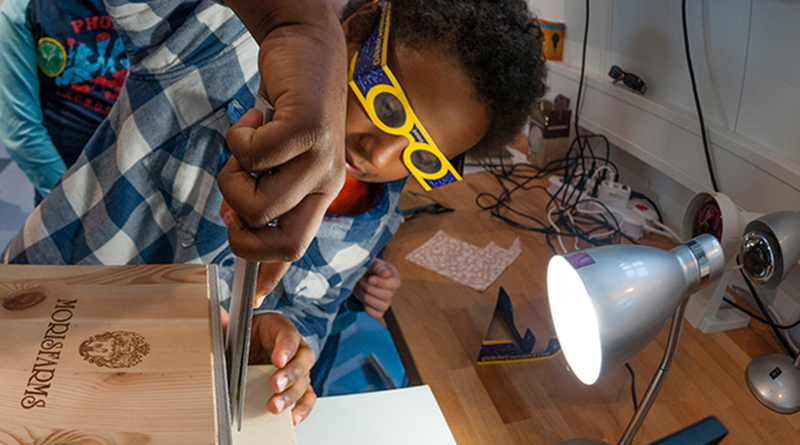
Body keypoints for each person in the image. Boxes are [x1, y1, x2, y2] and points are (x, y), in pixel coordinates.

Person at [3, 0, 547, 421]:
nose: (378, 154)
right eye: (388, 105)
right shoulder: (218, 49)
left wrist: (285, 335)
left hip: (136, 388)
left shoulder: (371, 222)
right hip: (33, 323)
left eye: (421, 154)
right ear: (355, 33)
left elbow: (314, 311)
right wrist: (297, 25)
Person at [0, 0, 129, 202]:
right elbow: (21, 127)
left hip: (141, 175)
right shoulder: (24, 9)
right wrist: (68, 201)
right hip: (66, 177)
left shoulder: (155, 6)